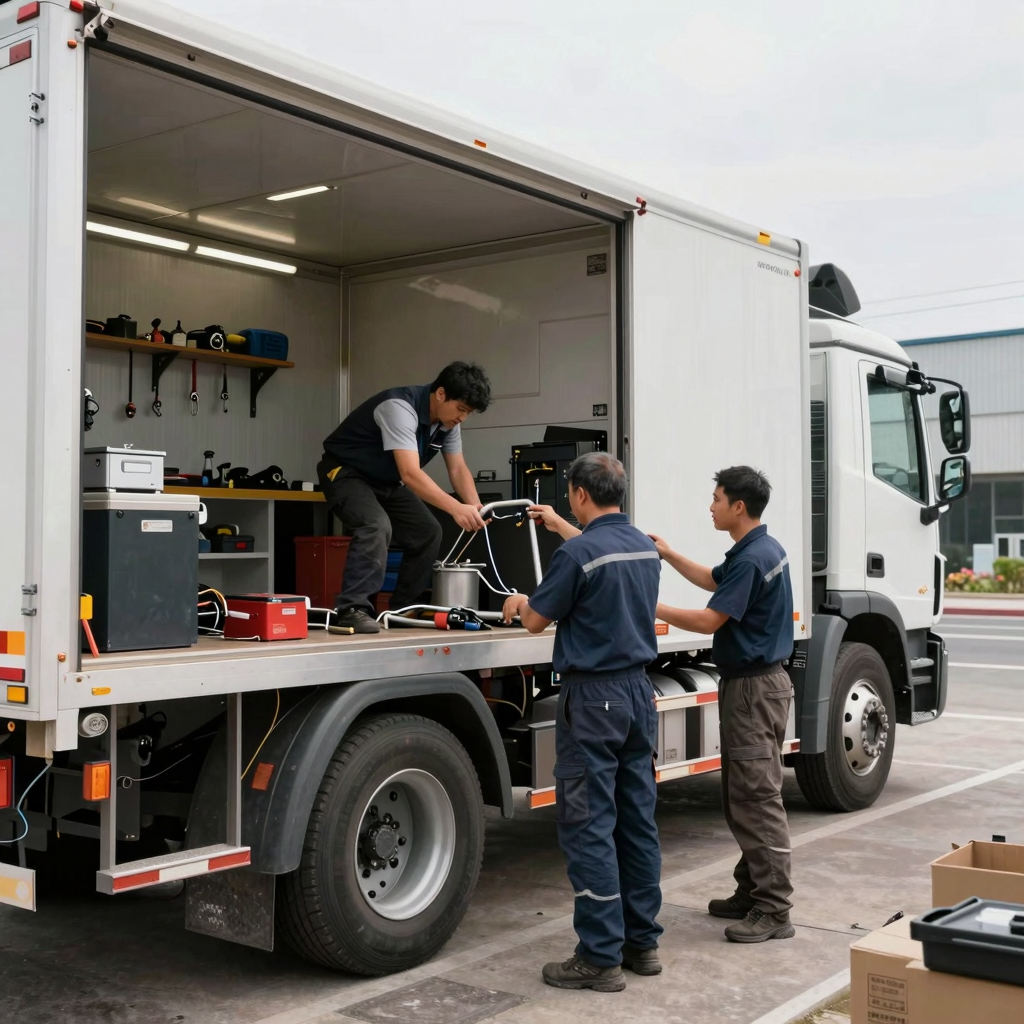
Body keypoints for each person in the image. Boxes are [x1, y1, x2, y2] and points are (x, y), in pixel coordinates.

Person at [503, 452, 663, 992]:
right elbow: (600, 554)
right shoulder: (642, 546)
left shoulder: (576, 556)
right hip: (640, 694)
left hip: (593, 701)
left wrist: (520, 602)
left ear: (577, 493)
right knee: (636, 822)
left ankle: (598, 957)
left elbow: (534, 622)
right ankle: (642, 944)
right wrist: (560, 527)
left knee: (589, 825)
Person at [650, 465, 796, 944]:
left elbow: (711, 619)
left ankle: (774, 910)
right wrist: (669, 555)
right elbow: (715, 582)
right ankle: (753, 889)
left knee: (756, 799)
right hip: (752, 686)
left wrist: (652, 606)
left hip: (755, 688)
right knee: (743, 796)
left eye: (715, 498)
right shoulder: (754, 552)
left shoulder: (754, 558)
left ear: (738, 506)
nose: (709, 506)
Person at [317, 362, 491, 633]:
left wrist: (476, 507)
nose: (463, 418)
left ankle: (403, 610)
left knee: (427, 531)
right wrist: (456, 508)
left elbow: (457, 468)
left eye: (468, 413)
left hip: (385, 481)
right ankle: (352, 608)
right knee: (375, 524)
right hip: (345, 473)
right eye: (461, 409)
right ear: (441, 394)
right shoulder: (399, 408)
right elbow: (410, 474)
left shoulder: (448, 424)